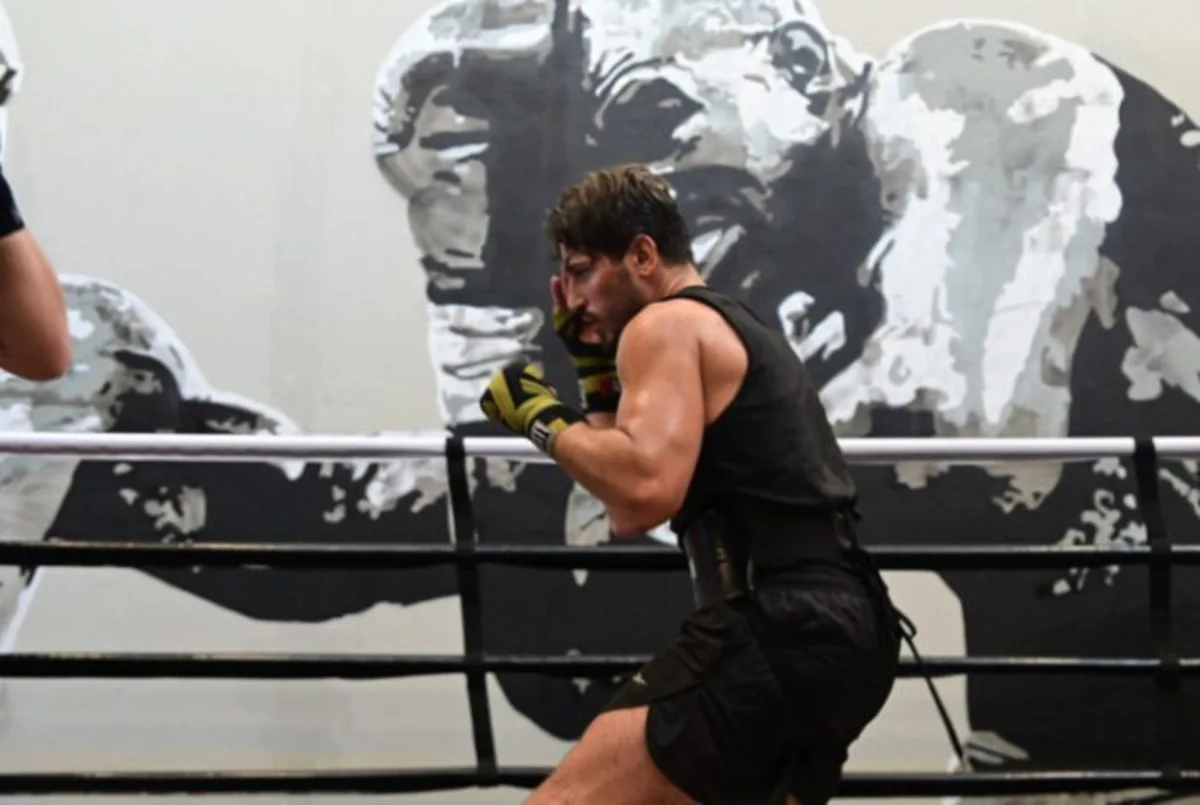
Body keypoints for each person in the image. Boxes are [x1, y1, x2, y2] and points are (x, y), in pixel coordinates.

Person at [479, 163, 903, 805]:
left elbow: (647, 487)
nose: (573, 296)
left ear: (643, 255)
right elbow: (625, 509)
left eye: (584, 270)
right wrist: (591, 365)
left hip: (778, 623)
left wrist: (540, 418)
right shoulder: (728, 323)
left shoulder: (666, 325)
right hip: (843, 629)